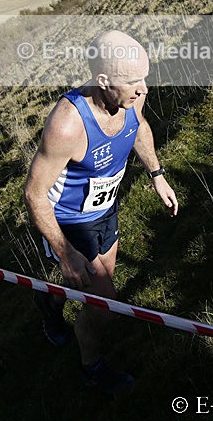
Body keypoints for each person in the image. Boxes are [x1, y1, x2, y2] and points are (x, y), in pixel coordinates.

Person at [23, 29, 178, 395]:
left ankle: (49, 299)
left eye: (145, 78)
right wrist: (66, 252)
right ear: (103, 80)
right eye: (132, 82)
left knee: (103, 277)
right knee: (105, 305)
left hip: (106, 210)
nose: (143, 89)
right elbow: (33, 194)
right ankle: (91, 368)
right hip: (70, 221)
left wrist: (157, 175)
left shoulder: (130, 96)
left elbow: (138, 129)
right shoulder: (67, 125)